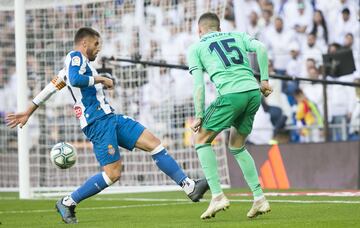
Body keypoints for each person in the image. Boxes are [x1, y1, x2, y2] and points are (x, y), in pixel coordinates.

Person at [6, 27, 209, 224]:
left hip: (110, 117)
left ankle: (189, 185)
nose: (98, 48)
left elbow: (50, 89)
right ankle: (67, 202)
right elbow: (75, 80)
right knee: (113, 174)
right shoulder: (74, 57)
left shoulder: (69, 70)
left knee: (154, 143)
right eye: (96, 44)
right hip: (97, 123)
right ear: (84, 43)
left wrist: (27, 111)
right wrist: (102, 79)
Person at [187, 12, 272, 219]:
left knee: (200, 139)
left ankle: (217, 196)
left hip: (231, 95)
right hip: (253, 93)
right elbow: (261, 48)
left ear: (200, 31)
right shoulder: (237, 35)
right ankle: (259, 198)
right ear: (219, 28)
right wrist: (265, 80)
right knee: (237, 146)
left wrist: (199, 114)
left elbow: (199, 85)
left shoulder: (196, 47)